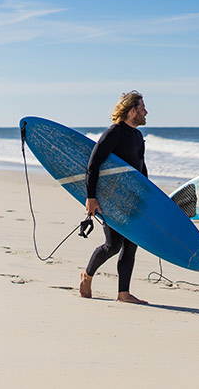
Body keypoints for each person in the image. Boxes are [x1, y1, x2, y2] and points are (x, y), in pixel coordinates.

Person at [79, 91, 149, 305]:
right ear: (132, 111)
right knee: (113, 245)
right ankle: (87, 275)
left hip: (132, 198)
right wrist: (91, 197)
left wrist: (148, 194)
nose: (146, 111)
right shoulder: (114, 132)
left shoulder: (137, 136)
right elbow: (94, 164)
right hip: (111, 198)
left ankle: (123, 293)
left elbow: (140, 168)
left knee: (131, 245)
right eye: (143, 107)